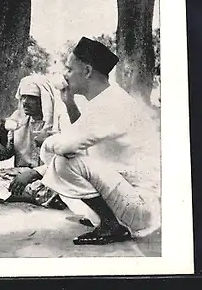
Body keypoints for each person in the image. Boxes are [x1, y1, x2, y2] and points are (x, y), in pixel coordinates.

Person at [36, 37, 161, 245]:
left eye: (69, 69)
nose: (65, 76)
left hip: (140, 207)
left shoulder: (111, 104)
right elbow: (80, 134)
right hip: (130, 199)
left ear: (86, 71)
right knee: (68, 159)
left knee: (63, 162)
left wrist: (46, 143)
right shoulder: (105, 100)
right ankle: (109, 220)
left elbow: (66, 145)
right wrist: (68, 103)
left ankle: (111, 225)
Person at [0, 74, 69, 208]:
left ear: (44, 99)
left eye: (32, 97)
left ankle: (12, 193)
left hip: (51, 175)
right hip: (21, 175)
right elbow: (2, 155)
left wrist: (33, 173)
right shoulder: (19, 120)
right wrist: (3, 136)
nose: (25, 102)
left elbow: (65, 160)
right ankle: (37, 195)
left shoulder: (59, 122)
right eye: (23, 97)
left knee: (61, 187)